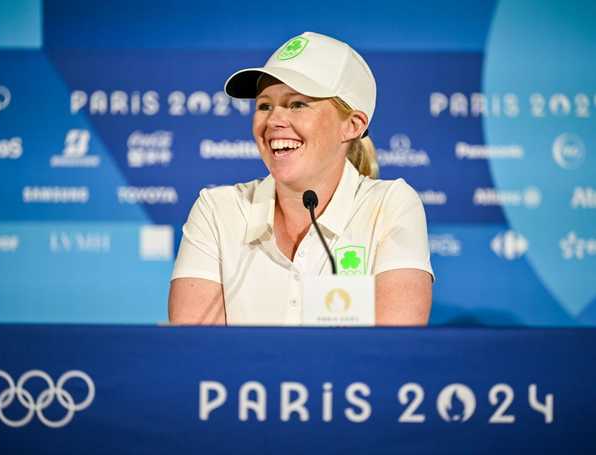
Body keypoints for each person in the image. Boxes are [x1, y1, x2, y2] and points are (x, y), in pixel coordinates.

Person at [169, 31, 433, 325]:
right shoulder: (217, 210)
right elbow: (195, 352)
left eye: (297, 104)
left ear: (352, 125)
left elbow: (394, 351)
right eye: (264, 105)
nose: (273, 121)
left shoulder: (390, 205)